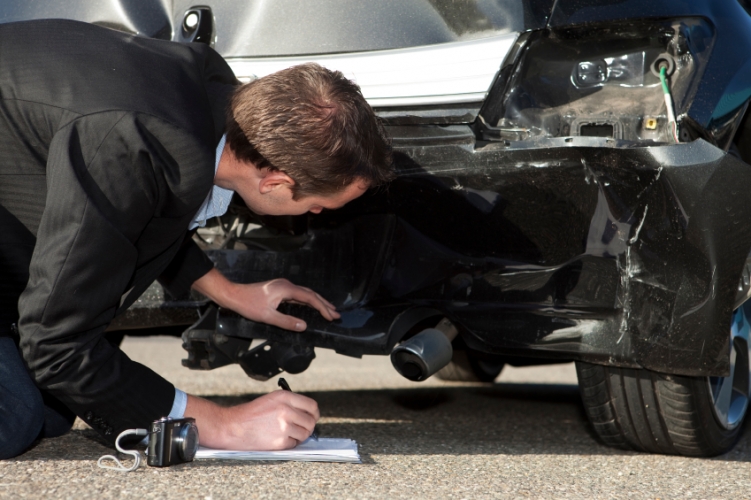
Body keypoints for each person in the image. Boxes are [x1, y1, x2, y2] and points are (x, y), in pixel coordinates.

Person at [0, 19, 393, 459]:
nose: (316, 215)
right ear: (276, 182)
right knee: (14, 417)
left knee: (51, 412)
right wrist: (224, 424)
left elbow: (135, 212)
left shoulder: (211, 95)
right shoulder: (133, 143)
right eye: (318, 204)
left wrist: (229, 291)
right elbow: (55, 345)